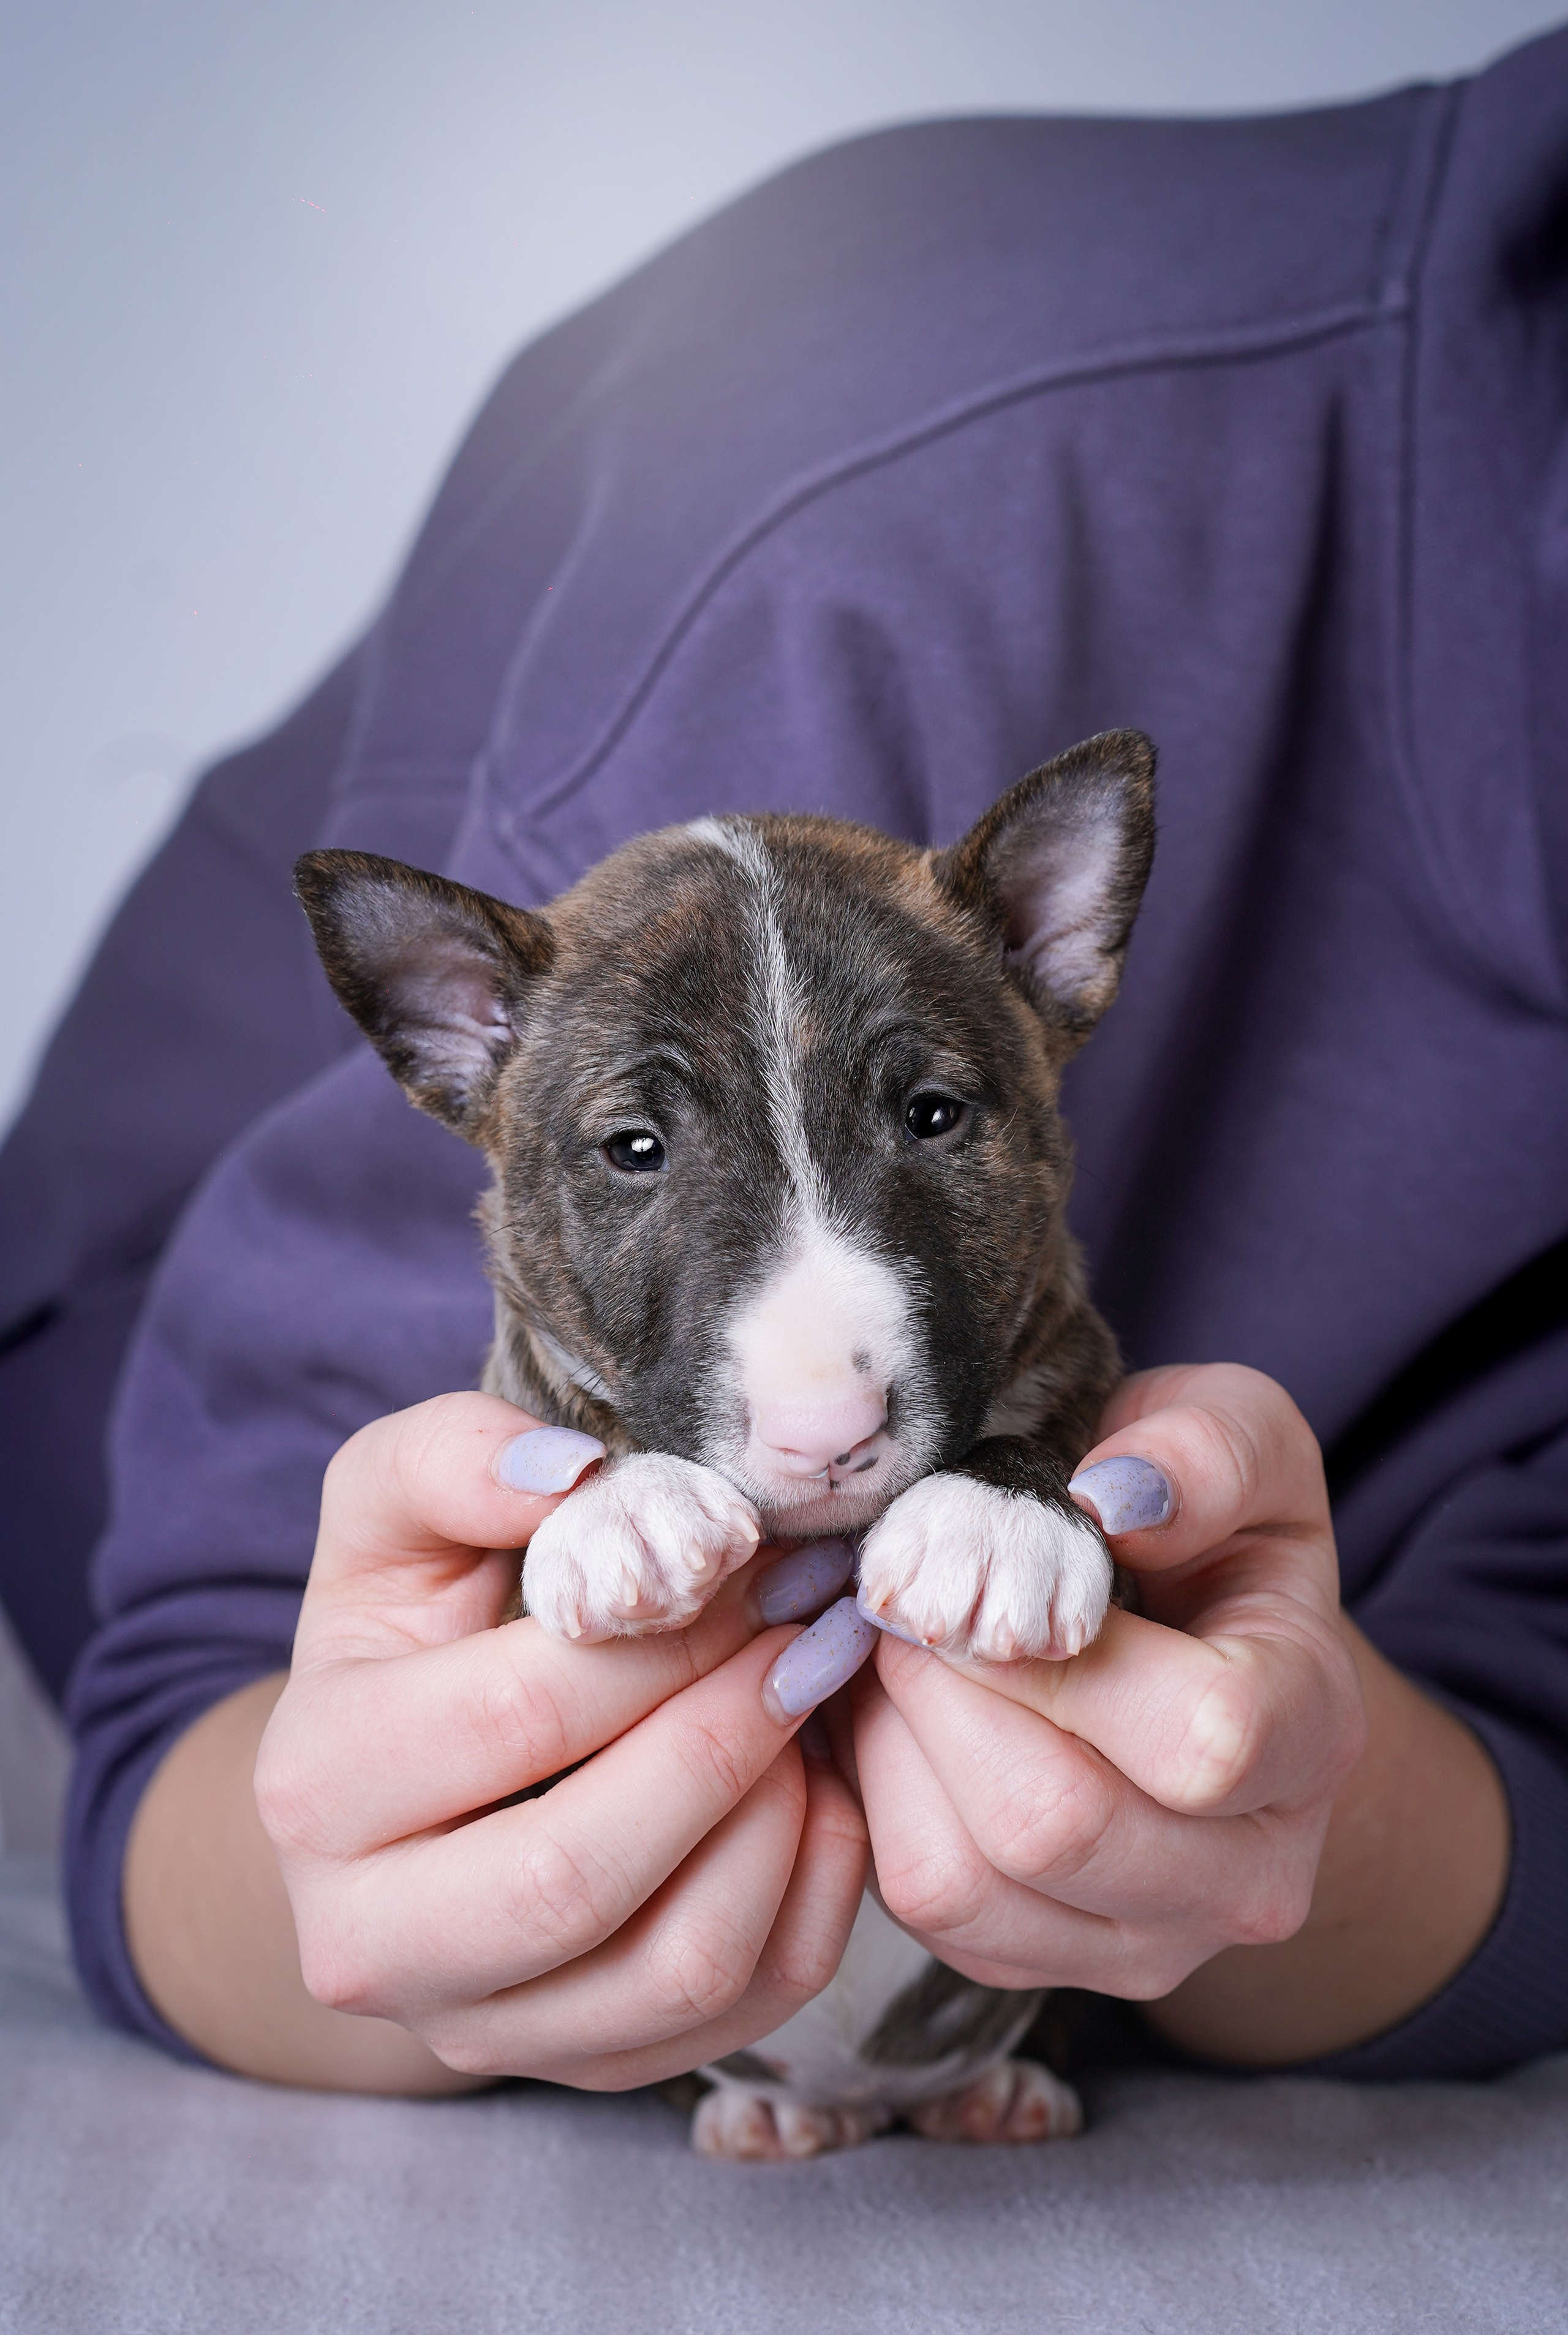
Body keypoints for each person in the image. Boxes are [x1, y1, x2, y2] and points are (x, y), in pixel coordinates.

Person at [2, 24, 1565, 2092]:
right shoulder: (866, 517)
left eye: (927, 1112)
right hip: (158, 1439)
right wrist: (418, 1883)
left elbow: (1512, 1767)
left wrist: (1320, 1822)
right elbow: (227, 1725)